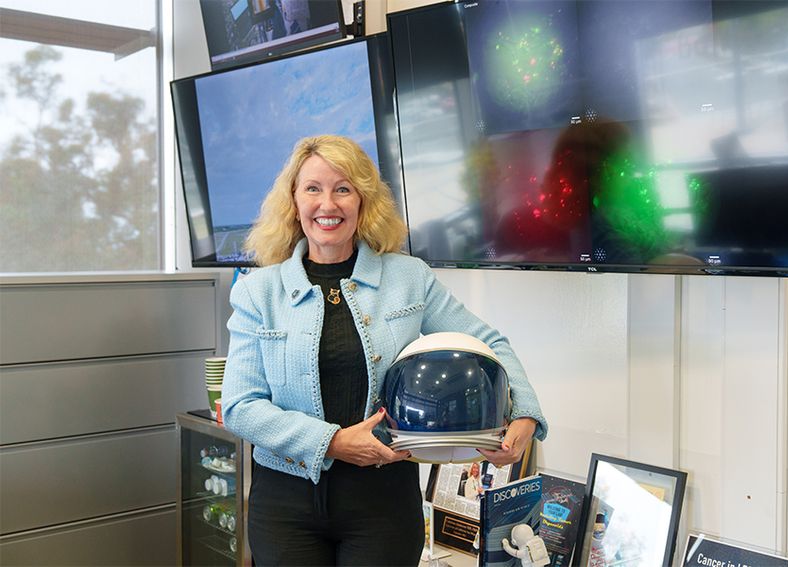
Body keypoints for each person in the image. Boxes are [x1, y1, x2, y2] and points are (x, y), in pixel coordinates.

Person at [222, 135, 548, 566]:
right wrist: (333, 442)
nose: (328, 204)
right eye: (313, 189)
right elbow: (241, 406)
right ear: (293, 201)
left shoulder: (409, 278)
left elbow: (489, 343)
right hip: (285, 506)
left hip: (384, 504)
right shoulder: (257, 291)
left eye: (343, 189)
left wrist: (524, 412)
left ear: (363, 200)